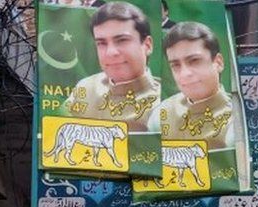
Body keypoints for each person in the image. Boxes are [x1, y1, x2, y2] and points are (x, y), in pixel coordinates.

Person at [63, 1, 160, 131]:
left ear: (147, 45)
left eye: (122, 40)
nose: (111, 52)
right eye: (102, 43)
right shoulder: (85, 89)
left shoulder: (164, 104)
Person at [150, 21, 237, 150]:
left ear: (218, 63)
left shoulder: (234, 122)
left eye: (194, 61)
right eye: (176, 65)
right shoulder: (162, 114)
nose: (185, 73)